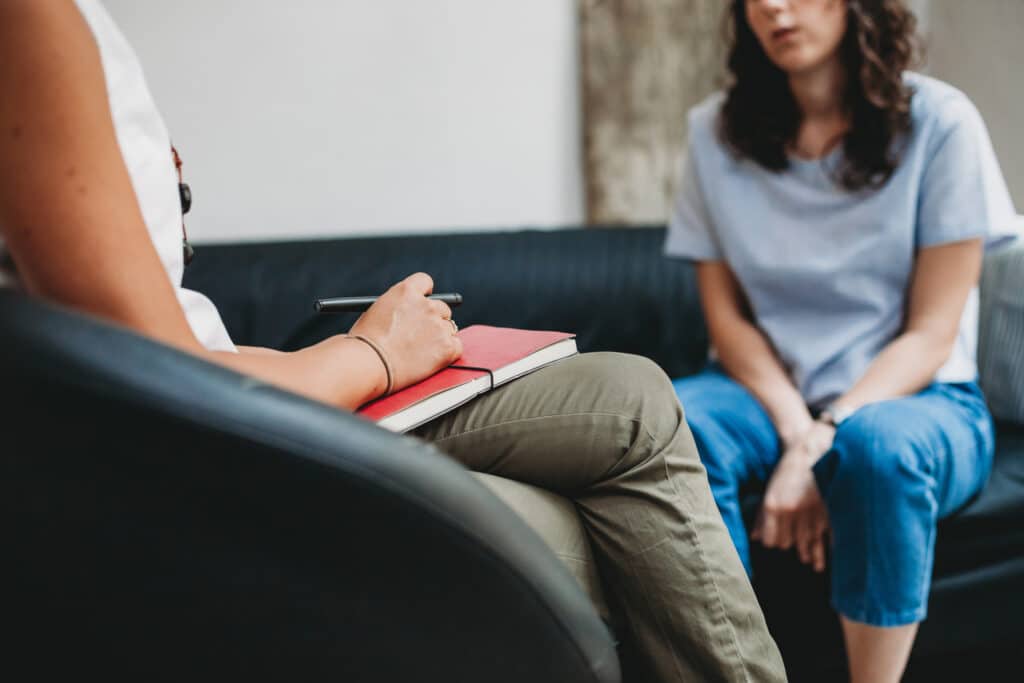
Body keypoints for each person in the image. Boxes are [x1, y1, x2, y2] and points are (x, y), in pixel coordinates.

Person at [0, 2, 788, 680]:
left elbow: (170, 333)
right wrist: (372, 355)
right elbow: (155, 378)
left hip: (231, 399)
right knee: (589, 528)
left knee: (631, 395)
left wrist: (356, 353)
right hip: (210, 454)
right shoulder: (31, 21)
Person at [667, 0, 1019, 681]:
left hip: (919, 394)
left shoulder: (943, 124)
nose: (774, 5)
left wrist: (828, 431)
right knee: (667, 426)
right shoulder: (713, 133)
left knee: (876, 449)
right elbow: (729, 323)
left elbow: (931, 332)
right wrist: (799, 431)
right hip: (763, 395)